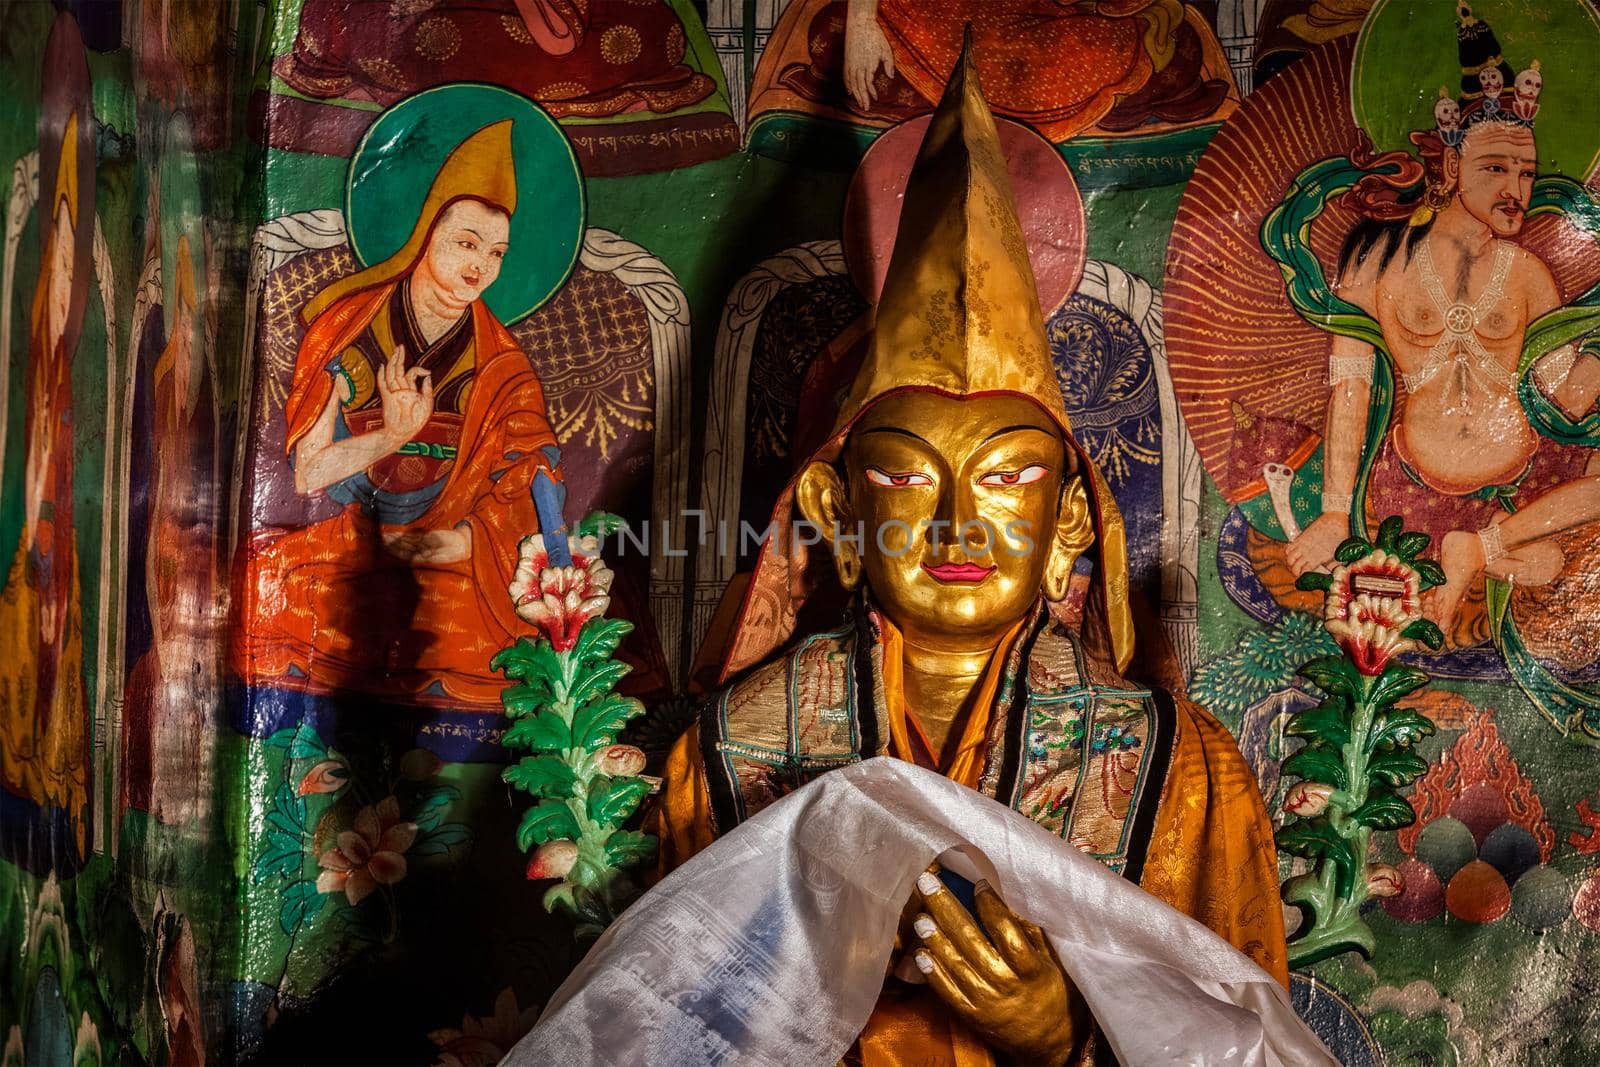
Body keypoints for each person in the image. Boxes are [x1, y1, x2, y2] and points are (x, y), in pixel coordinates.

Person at [652, 48, 1285, 1065]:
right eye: (904, 479)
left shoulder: (1184, 774)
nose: (954, 523)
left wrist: (1074, 1034)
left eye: (1005, 477)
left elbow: (1252, 1048)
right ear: (836, 511)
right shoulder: (725, 759)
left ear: (1069, 520)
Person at [1284, 4, 1600, 635]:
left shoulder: (1530, 274)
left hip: (1519, 481)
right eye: (1496, 168)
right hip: (1406, 486)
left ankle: (1482, 549)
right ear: (1452, 168)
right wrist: (1331, 512)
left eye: (1528, 172)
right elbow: (1351, 392)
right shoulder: (1374, 260)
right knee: (1531, 570)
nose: (1518, 188)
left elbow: (1568, 399)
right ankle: (1495, 555)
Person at [233, 119, 565, 708]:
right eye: (466, 242)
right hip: (355, 542)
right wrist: (393, 433)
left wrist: (446, 547)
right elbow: (308, 474)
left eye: (496, 253)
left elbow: (525, 494)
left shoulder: (503, 365)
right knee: (272, 593)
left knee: (486, 639)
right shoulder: (349, 328)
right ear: (427, 230)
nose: (479, 266)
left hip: (453, 554)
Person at [0, 112, 89, 853]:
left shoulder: (66, 371)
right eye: (54, 264)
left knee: (60, 666)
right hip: (34, 542)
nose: (64, 282)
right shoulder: (35, 364)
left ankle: (50, 799)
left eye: (73, 267)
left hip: (58, 547)